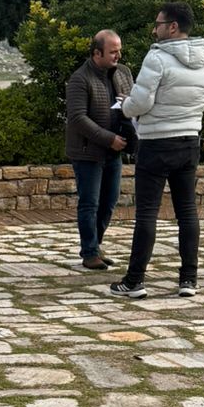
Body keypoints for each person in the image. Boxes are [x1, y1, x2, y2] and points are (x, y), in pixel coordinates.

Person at [109, 2, 204, 300]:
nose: (154, 29)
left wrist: (125, 107)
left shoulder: (157, 58)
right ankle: (189, 279)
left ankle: (135, 281)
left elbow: (141, 103)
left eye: (158, 24)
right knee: (187, 212)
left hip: (156, 142)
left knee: (147, 213)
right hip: (189, 141)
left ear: (172, 27)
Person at [65, 29, 135, 271]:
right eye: (113, 51)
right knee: (90, 203)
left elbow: (132, 103)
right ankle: (89, 251)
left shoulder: (123, 73)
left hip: (115, 151)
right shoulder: (79, 79)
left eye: (119, 51)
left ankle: (96, 244)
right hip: (88, 152)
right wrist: (108, 139)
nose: (118, 55)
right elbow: (77, 118)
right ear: (97, 53)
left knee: (109, 202)